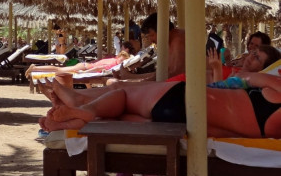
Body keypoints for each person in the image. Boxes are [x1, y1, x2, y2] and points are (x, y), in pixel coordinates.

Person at [40, 45, 281, 134]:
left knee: (123, 94)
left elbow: (245, 79)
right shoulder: (273, 129)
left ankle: (85, 108)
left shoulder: (272, 85)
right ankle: (80, 115)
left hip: (182, 97)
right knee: (125, 116)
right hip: (183, 121)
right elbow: (220, 131)